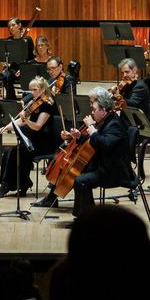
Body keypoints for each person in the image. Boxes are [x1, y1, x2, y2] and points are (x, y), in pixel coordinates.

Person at [61, 88, 135, 216]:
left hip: (114, 171)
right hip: (103, 165)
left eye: (94, 110)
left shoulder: (114, 124)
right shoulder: (105, 121)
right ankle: (87, 214)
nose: (92, 112)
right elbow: (95, 143)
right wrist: (80, 136)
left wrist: (92, 129)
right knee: (78, 173)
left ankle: (84, 217)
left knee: (80, 181)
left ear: (104, 110)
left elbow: (105, 144)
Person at [0, 76, 59, 198]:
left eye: (35, 90)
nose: (32, 92)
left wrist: (27, 120)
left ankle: (8, 185)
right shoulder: (34, 103)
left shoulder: (47, 105)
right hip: (33, 139)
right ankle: (21, 183)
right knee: (9, 152)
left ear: (43, 90)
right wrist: (4, 128)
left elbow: (38, 126)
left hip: (44, 142)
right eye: (31, 90)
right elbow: (20, 121)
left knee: (17, 152)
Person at [0, 17, 36, 100]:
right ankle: (11, 99)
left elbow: (32, 58)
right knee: (5, 76)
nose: (11, 27)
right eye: (9, 26)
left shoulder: (27, 40)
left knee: (27, 76)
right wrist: (5, 62)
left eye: (13, 25)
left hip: (26, 68)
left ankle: (25, 100)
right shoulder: (8, 41)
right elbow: (6, 57)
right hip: (13, 68)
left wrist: (24, 69)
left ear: (19, 25)